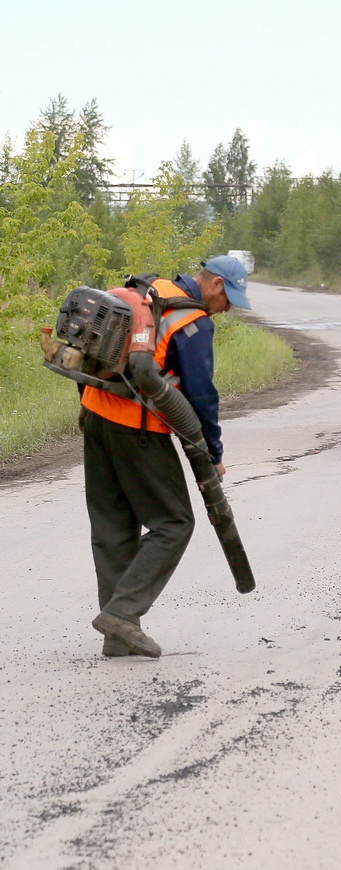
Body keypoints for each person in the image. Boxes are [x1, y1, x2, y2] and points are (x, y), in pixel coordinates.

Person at [81, 255, 252, 658]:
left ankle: (117, 635)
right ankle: (122, 613)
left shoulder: (149, 290)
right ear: (214, 285)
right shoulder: (191, 321)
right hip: (138, 428)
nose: (228, 309)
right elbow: (201, 395)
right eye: (230, 299)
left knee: (112, 526)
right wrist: (213, 453)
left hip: (95, 416)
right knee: (174, 522)